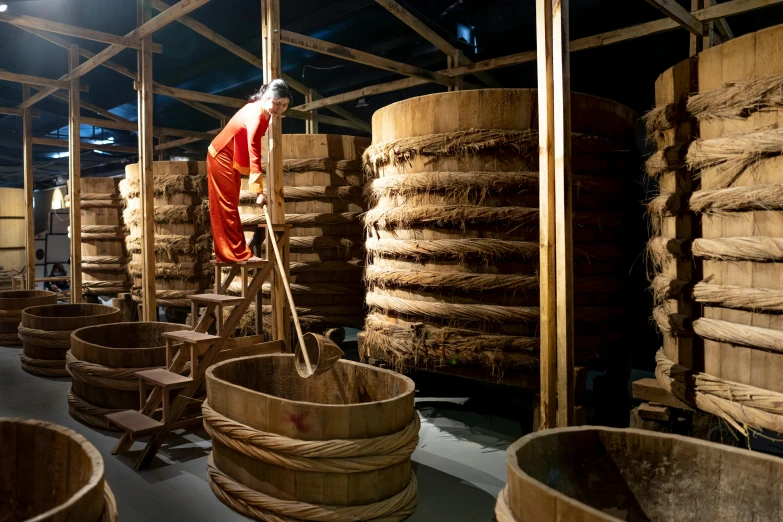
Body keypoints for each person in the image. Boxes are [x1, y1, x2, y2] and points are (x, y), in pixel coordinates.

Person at [207, 78, 292, 262]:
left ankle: (232, 252)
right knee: (227, 206)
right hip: (221, 155)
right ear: (267, 98)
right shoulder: (256, 115)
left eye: (284, 105)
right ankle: (235, 254)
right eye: (276, 103)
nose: (279, 109)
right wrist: (258, 192)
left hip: (231, 157)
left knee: (230, 205)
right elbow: (254, 153)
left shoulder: (263, 111)